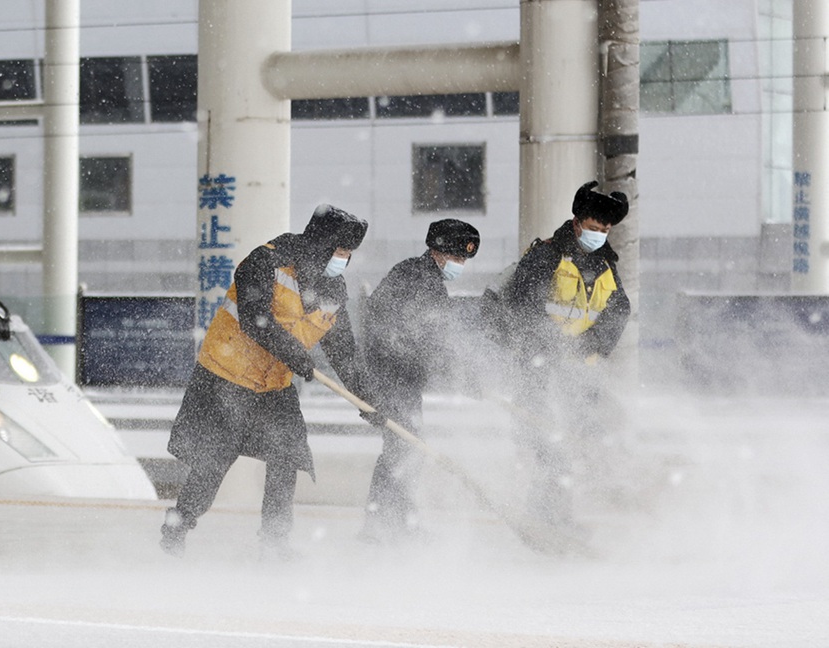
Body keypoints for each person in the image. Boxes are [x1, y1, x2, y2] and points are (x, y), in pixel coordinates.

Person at [160, 204, 375, 560]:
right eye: (339, 252)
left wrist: (369, 401)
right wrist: (294, 353)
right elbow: (254, 320)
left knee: (287, 455)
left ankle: (275, 541)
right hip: (225, 379)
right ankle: (178, 526)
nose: (343, 261)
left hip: (273, 385)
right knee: (213, 463)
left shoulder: (333, 290)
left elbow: (345, 354)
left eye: (348, 255)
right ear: (319, 245)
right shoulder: (265, 262)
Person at [483, 180, 630, 532]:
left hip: (579, 373)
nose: (599, 235)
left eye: (605, 230)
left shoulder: (607, 267)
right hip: (538, 371)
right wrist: (551, 349)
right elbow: (523, 307)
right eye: (594, 228)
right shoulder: (546, 257)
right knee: (549, 446)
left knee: (586, 439)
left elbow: (619, 309)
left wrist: (589, 346)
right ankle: (548, 519)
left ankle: (556, 514)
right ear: (578, 223)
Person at [359, 218, 481, 543]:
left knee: (406, 449)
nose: (460, 265)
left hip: (402, 378)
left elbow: (432, 341)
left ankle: (391, 524)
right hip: (391, 376)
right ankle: (383, 527)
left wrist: (462, 376)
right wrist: (457, 375)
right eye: (456, 257)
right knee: (404, 448)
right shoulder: (415, 277)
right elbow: (417, 338)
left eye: (463, 260)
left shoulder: (425, 278)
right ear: (437, 251)